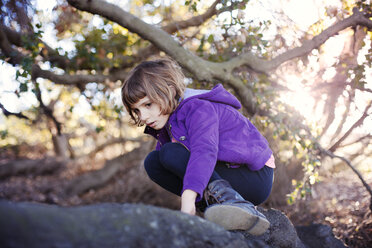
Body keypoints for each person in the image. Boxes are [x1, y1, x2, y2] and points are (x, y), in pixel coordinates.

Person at [121, 57, 275, 235]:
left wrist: (188, 199)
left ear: (169, 92)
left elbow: (204, 152)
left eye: (148, 104)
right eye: (137, 110)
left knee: (170, 153)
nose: (144, 116)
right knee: (154, 162)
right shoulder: (170, 123)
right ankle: (216, 208)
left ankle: (234, 203)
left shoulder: (198, 108)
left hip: (254, 176)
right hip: (228, 172)